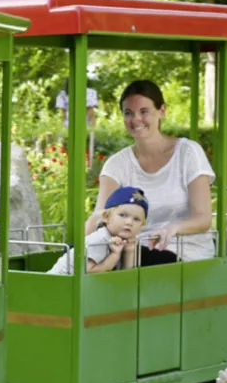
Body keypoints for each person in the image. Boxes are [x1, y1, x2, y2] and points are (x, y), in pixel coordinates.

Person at [85, 80, 214, 262]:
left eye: (144, 112)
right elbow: (101, 216)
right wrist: (75, 252)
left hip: (185, 253)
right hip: (131, 251)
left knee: (131, 261)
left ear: (162, 111)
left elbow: (203, 219)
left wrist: (174, 228)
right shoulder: (116, 164)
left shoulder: (188, 153)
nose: (136, 119)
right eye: (128, 113)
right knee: (90, 258)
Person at [49, 186, 148, 274]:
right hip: (59, 285)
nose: (129, 222)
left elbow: (126, 276)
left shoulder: (122, 240)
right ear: (106, 217)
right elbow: (91, 272)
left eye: (136, 219)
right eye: (123, 215)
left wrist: (129, 251)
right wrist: (114, 255)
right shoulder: (100, 239)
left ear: (142, 226)